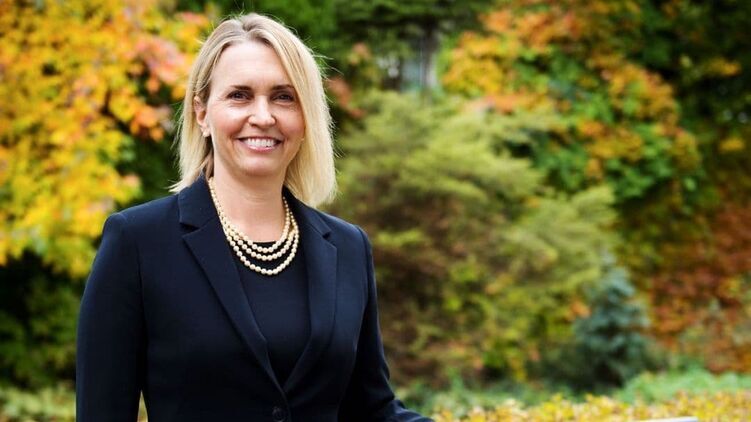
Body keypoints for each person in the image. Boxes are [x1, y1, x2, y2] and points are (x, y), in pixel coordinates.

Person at [76, 13, 432, 422]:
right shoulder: (138, 242)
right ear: (202, 113)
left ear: (305, 118)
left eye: (284, 97)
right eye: (240, 95)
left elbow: (372, 410)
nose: (263, 116)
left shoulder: (349, 247)